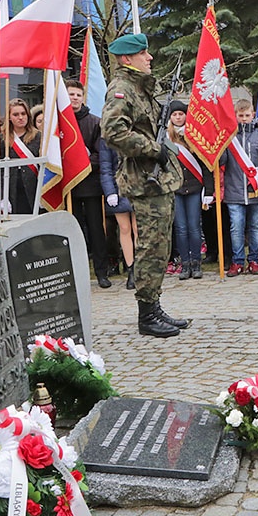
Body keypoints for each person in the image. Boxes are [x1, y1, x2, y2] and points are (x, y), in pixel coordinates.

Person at [100, 32, 189, 338]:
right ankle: (146, 314)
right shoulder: (122, 89)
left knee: (160, 245)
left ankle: (154, 304)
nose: (149, 57)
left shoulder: (140, 87)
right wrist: (153, 149)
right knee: (151, 246)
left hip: (156, 179)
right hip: (143, 180)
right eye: (143, 53)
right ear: (127, 59)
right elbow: (113, 132)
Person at [220, 100, 258, 277]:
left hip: (256, 190)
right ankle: (237, 262)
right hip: (234, 189)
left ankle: (254, 260)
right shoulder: (229, 137)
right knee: (236, 227)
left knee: (255, 226)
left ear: (253, 115)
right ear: (235, 116)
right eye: (240, 116)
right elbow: (222, 163)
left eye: (247, 115)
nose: (244, 119)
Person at [66, 79, 111, 288]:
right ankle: (77, 273)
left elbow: (100, 154)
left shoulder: (95, 122)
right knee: (74, 232)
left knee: (96, 230)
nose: (74, 98)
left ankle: (102, 272)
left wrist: (81, 165)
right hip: (68, 188)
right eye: (70, 94)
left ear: (82, 98)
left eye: (77, 95)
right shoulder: (59, 123)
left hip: (91, 185)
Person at [167, 101, 213, 279]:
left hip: (194, 187)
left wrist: (208, 191)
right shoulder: (166, 139)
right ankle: (184, 264)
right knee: (180, 228)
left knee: (194, 227)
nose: (178, 117)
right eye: (174, 115)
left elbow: (205, 164)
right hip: (176, 188)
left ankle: (196, 263)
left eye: (181, 114)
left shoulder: (195, 136)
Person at [0, 98, 40, 214]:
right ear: (9, 117)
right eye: (16, 114)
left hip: (33, 187)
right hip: (10, 188)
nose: (20, 117)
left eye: (23, 114)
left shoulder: (38, 137)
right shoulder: (1, 139)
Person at [100, 144, 137, 290]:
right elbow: (106, 168)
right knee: (124, 228)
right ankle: (131, 269)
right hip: (118, 187)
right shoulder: (107, 137)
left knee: (137, 227)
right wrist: (109, 192)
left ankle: (140, 267)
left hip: (138, 186)